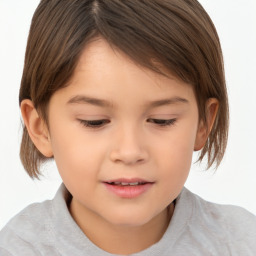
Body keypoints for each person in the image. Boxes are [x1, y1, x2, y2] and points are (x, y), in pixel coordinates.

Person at [0, 0, 255, 255]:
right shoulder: (15, 249)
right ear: (40, 127)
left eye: (162, 120)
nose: (130, 151)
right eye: (94, 121)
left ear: (203, 123)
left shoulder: (241, 243)